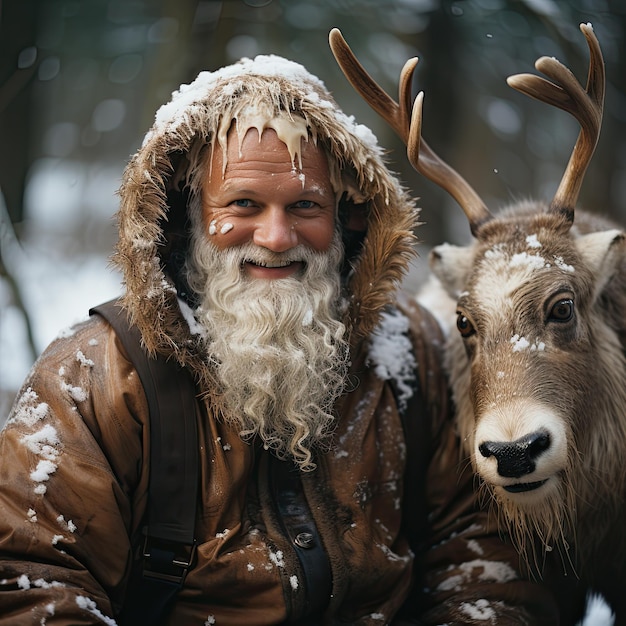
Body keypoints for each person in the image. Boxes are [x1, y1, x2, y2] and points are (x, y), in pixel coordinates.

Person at [0, 53, 561, 624]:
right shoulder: (92, 377)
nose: (275, 236)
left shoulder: (409, 353)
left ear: (348, 218)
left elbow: (488, 555)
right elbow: (32, 581)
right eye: (244, 204)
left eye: (305, 206)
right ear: (186, 215)